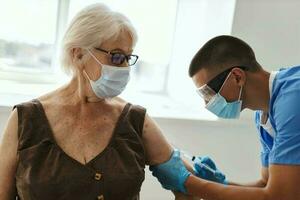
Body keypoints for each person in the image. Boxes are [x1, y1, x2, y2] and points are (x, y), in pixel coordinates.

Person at [0, 4, 224, 200]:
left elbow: (186, 186)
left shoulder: (136, 121)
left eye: (128, 58)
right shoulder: (25, 120)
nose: (125, 67)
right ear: (78, 54)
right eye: (116, 57)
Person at [150, 35, 300, 200]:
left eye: (208, 93)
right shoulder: (263, 115)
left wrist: (188, 183)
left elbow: (281, 195)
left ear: (237, 77)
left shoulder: (293, 99)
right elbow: (266, 184)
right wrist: (219, 184)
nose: (207, 103)